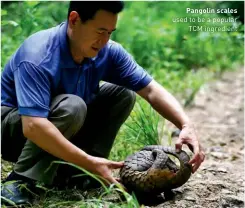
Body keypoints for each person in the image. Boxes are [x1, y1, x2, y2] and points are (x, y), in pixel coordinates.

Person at [1, 1, 205, 206]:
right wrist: (89, 163)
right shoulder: (38, 54)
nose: (104, 40)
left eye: (110, 32)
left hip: (59, 125)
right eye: (100, 31)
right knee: (72, 106)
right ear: (74, 20)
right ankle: (21, 180)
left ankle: (79, 174)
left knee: (122, 93)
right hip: (13, 130)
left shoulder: (106, 51)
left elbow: (151, 89)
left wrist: (186, 125)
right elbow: (33, 126)